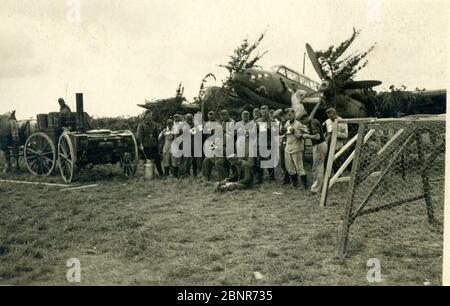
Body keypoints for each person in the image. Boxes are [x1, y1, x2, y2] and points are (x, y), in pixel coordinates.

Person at [299, 114, 328, 194]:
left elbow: (317, 136)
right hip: (320, 145)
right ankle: (320, 188)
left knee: (317, 168)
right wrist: (306, 132)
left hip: (319, 145)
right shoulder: (313, 122)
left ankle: (315, 189)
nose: (303, 124)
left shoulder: (313, 123)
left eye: (303, 122)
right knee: (319, 167)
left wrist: (307, 135)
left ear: (305, 119)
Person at [284, 108, 308, 188]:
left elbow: (303, 136)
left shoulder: (299, 124)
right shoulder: (287, 123)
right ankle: (295, 184)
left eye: (290, 114)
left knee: (299, 167)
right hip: (288, 147)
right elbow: (285, 132)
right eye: (287, 115)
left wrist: (294, 131)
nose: (289, 116)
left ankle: (304, 185)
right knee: (289, 167)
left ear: (294, 114)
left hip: (297, 147)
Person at [136, 110, 163, 176]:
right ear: (145, 116)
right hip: (146, 145)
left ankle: (161, 173)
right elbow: (139, 136)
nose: (150, 116)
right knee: (147, 161)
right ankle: (147, 174)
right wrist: (141, 144)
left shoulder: (154, 124)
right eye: (148, 115)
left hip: (154, 145)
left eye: (151, 115)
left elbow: (157, 135)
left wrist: (158, 144)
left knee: (157, 160)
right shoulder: (141, 125)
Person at [256, 105, 276, 183]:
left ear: (268, 111)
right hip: (260, 143)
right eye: (262, 111)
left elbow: (275, 132)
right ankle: (259, 178)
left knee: (269, 161)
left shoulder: (272, 120)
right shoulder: (257, 121)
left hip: (268, 143)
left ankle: (271, 177)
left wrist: (267, 128)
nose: (263, 113)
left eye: (265, 111)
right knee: (259, 161)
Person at [180, 113, 203, 177]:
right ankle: (185, 173)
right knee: (187, 160)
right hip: (187, 144)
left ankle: (198, 172)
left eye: (190, 118)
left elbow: (199, 130)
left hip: (195, 143)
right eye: (188, 118)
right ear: (185, 119)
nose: (189, 120)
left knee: (198, 159)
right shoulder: (183, 125)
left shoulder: (195, 124)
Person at [273, 109, 290, 185]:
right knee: (282, 162)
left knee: (288, 162)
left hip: (288, 143)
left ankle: (291, 178)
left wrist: (282, 136)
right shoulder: (280, 123)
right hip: (281, 144)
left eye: (278, 117)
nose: (277, 119)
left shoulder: (288, 122)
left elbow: (288, 133)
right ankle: (286, 178)